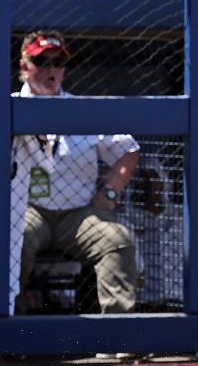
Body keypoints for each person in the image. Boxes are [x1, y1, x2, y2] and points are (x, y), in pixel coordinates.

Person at [11, 31, 139, 315]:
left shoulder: (82, 109)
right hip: (25, 209)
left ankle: (118, 336)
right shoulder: (6, 106)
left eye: (58, 62)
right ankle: (10, 330)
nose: (51, 69)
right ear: (24, 66)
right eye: (41, 60)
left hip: (79, 213)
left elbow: (128, 150)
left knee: (116, 240)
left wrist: (109, 192)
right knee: (12, 238)